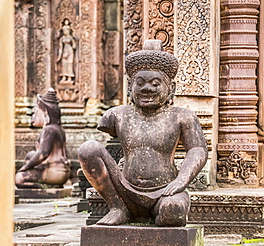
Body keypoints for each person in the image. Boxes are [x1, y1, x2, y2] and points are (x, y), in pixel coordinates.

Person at [78, 40, 207, 226]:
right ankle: (118, 208)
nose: (147, 88)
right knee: (89, 148)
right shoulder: (117, 115)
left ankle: (161, 213)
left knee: (173, 212)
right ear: (130, 87)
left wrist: (181, 181)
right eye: (140, 83)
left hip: (165, 191)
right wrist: (119, 199)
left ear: (171, 89)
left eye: (156, 84)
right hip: (124, 189)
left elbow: (197, 150)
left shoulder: (182, 117)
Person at [15, 88, 70, 188]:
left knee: (19, 178)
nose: (33, 116)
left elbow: (43, 154)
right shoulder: (59, 129)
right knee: (30, 155)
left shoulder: (48, 129)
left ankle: (47, 187)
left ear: (45, 113)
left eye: (36, 112)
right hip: (63, 172)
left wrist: (24, 168)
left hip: (53, 172)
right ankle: (51, 185)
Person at [56, 19, 76, 84]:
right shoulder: (62, 39)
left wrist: (73, 46)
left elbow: (74, 45)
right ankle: (64, 77)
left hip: (70, 51)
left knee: (69, 64)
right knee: (64, 64)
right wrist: (59, 56)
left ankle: (69, 78)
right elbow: (60, 48)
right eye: (64, 30)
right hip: (64, 51)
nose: (65, 32)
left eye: (66, 30)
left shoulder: (70, 38)